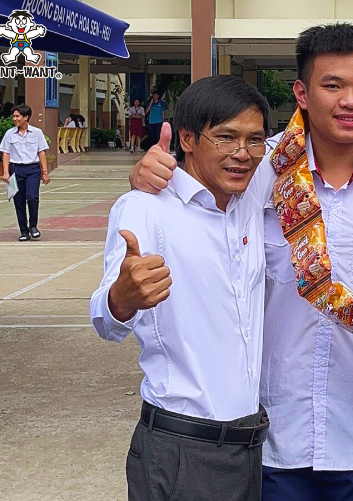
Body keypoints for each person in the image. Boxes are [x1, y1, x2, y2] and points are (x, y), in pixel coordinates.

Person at [128, 23, 353, 501]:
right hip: (269, 433)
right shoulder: (256, 169)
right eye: (332, 85)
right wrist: (151, 173)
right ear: (302, 92)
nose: (350, 100)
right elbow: (189, 199)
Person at [90, 76, 275, 501]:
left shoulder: (251, 189)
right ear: (187, 138)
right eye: (225, 137)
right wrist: (123, 297)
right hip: (180, 451)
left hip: (249, 447)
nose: (242, 154)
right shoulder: (145, 208)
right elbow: (103, 317)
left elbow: (327, 127)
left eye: (255, 140)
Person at [0, 104, 50, 241]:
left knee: (33, 197)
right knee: (18, 201)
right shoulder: (9, 134)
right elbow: (6, 153)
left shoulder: (37, 133)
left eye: (17, 116)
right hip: (16, 169)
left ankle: (33, 226)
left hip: (33, 169)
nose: (15, 119)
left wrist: (44, 172)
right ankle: (23, 231)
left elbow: (41, 152)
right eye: (13, 116)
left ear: (26, 117)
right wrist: (6, 172)